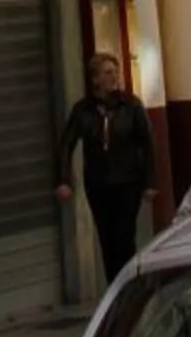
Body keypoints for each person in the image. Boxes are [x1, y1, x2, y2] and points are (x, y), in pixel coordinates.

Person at [57, 55, 155, 284]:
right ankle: (115, 286)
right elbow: (66, 144)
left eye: (115, 72)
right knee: (106, 238)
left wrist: (150, 182)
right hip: (98, 184)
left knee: (124, 235)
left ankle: (130, 285)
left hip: (128, 182)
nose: (114, 77)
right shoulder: (83, 110)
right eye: (107, 72)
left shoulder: (131, 106)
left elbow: (147, 144)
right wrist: (64, 180)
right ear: (95, 79)